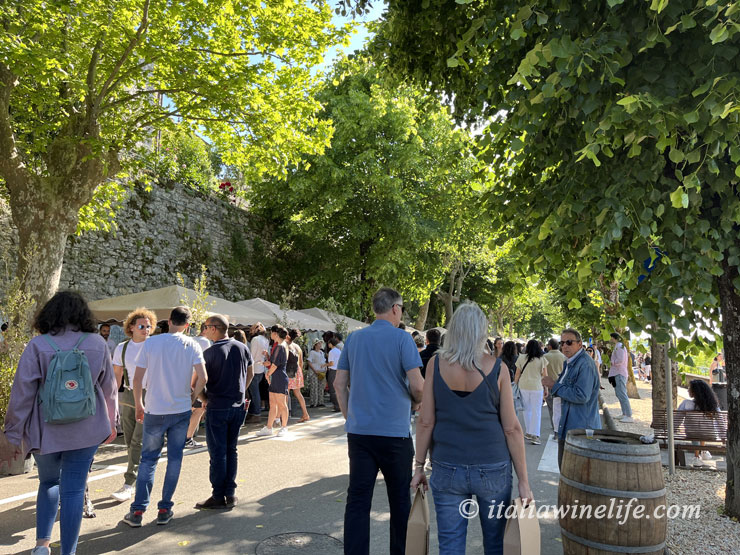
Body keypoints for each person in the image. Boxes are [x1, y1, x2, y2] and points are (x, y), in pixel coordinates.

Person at [412, 302, 533, 554]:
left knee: (450, 544)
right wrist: (523, 481)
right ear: (481, 332)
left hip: (447, 466)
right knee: (495, 543)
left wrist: (418, 467)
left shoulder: (436, 364)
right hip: (493, 468)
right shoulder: (498, 368)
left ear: (453, 330)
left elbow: (426, 421)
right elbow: (511, 428)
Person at [3, 291, 118, 555]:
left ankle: (42, 545)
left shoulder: (38, 345)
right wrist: (111, 423)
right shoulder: (97, 344)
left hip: (46, 430)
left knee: (47, 483)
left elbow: (22, 392)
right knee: (74, 490)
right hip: (87, 429)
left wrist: (13, 433)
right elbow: (109, 389)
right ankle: (69, 551)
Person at [333, 287, 425, 555]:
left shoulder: (354, 339)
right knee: (399, 502)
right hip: (395, 433)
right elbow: (418, 386)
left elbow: (340, 385)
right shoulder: (402, 339)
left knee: (358, 500)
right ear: (396, 308)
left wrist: (351, 418)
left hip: (360, 434)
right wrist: (415, 403)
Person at [123, 306, 207, 527]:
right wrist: (192, 397)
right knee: (174, 459)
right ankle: (164, 508)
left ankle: (138, 511)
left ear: (168, 321)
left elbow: (137, 379)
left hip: (154, 410)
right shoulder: (193, 345)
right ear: (187, 325)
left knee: (148, 460)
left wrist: (139, 403)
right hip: (179, 410)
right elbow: (203, 378)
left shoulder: (151, 343)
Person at [195, 314, 253, 509]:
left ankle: (218, 495)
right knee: (231, 450)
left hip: (217, 405)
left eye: (206, 326)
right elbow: (250, 372)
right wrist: (241, 391)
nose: (204, 329)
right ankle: (230, 492)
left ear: (214, 328)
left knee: (218, 452)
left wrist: (203, 399)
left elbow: (197, 381)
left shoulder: (210, 353)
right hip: (237, 405)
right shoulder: (242, 347)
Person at [110, 307, 157, 503]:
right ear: (131, 327)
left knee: (138, 440)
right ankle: (139, 472)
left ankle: (129, 483)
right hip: (127, 396)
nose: (146, 329)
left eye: (148, 326)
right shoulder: (122, 347)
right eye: (141, 326)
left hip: (150, 395)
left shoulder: (154, 346)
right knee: (129, 441)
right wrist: (111, 401)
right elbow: (117, 376)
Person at [542, 328, 601, 468]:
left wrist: (554, 385)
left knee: (576, 475)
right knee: (567, 472)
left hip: (580, 430)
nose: (565, 346)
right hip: (568, 427)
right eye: (562, 343)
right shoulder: (569, 362)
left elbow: (582, 395)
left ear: (580, 344)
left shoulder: (585, 364)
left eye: (569, 342)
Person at [255, 325, 290, 437]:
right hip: (277, 376)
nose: (270, 335)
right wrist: (268, 366)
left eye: (272, 333)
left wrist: (268, 373)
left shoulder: (281, 346)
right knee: (273, 403)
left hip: (279, 377)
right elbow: (274, 362)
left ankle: (284, 427)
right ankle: (269, 427)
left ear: (276, 334)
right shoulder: (281, 346)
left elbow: (275, 365)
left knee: (281, 404)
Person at [677, 379, 721, 466]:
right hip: (710, 434)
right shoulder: (712, 405)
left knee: (695, 429)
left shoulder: (686, 404)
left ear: (695, 392)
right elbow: (720, 421)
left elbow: (677, 420)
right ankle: (703, 451)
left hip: (692, 434)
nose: (688, 390)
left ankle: (696, 457)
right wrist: (723, 436)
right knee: (703, 428)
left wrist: (672, 429)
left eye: (690, 388)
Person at [514, 339, 547, 445]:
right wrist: (546, 388)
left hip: (523, 385)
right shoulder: (542, 359)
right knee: (536, 411)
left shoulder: (521, 357)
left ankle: (529, 432)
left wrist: (515, 385)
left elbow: (517, 374)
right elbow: (544, 375)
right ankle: (535, 435)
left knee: (526, 410)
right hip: (537, 387)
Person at [185, 324, 211, 448]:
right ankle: (187, 438)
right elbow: (205, 365)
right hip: (196, 379)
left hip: (185, 377)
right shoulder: (206, 342)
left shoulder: (190, 340)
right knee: (199, 408)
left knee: (189, 409)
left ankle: (184, 437)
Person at [543, 338, 566, 440]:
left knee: (551, 408)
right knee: (560, 409)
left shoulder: (545, 357)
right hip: (560, 385)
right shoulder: (563, 357)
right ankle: (560, 429)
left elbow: (542, 372)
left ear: (550, 346)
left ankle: (555, 429)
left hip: (548, 385)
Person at [246, 323, 270, 422]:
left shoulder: (255, 340)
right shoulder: (266, 340)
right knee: (255, 392)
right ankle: (254, 412)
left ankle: (256, 413)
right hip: (261, 368)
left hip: (254, 368)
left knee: (254, 393)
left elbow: (251, 355)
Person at [286, 328, 310, 422]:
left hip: (289, 371)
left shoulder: (286, 346)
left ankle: (282, 416)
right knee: (298, 394)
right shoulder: (297, 347)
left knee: (285, 394)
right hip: (297, 371)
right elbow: (301, 362)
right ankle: (305, 414)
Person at [608, 332, 633, 422]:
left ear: (614, 338)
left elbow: (621, 359)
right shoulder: (618, 346)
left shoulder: (619, 346)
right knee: (619, 393)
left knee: (622, 393)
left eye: (611, 338)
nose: (610, 339)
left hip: (620, 373)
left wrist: (613, 362)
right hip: (617, 372)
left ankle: (629, 415)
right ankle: (624, 413)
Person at [306, 339, 328, 407]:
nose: (320, 345)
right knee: (314, 387)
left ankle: (320, 401)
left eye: (321, 344)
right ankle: (313, 402)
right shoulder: (312, 352)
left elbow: (323, 361)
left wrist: (325, 367)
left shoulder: (322, 352)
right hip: (314, 372)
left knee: (321, 387)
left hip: (322, 371)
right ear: (315, 345)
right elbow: (309, 362)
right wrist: (314, 370)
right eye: (319, 344)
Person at [326, 336, 342, 412]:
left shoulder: (331, 352)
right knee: (338, 389)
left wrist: (324, 365)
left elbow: (331, 363)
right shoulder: (339, 351)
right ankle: (340, 405)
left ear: (331, 344)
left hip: (333, 371)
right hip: (339, 371)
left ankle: (336, 406)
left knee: (332, 389)